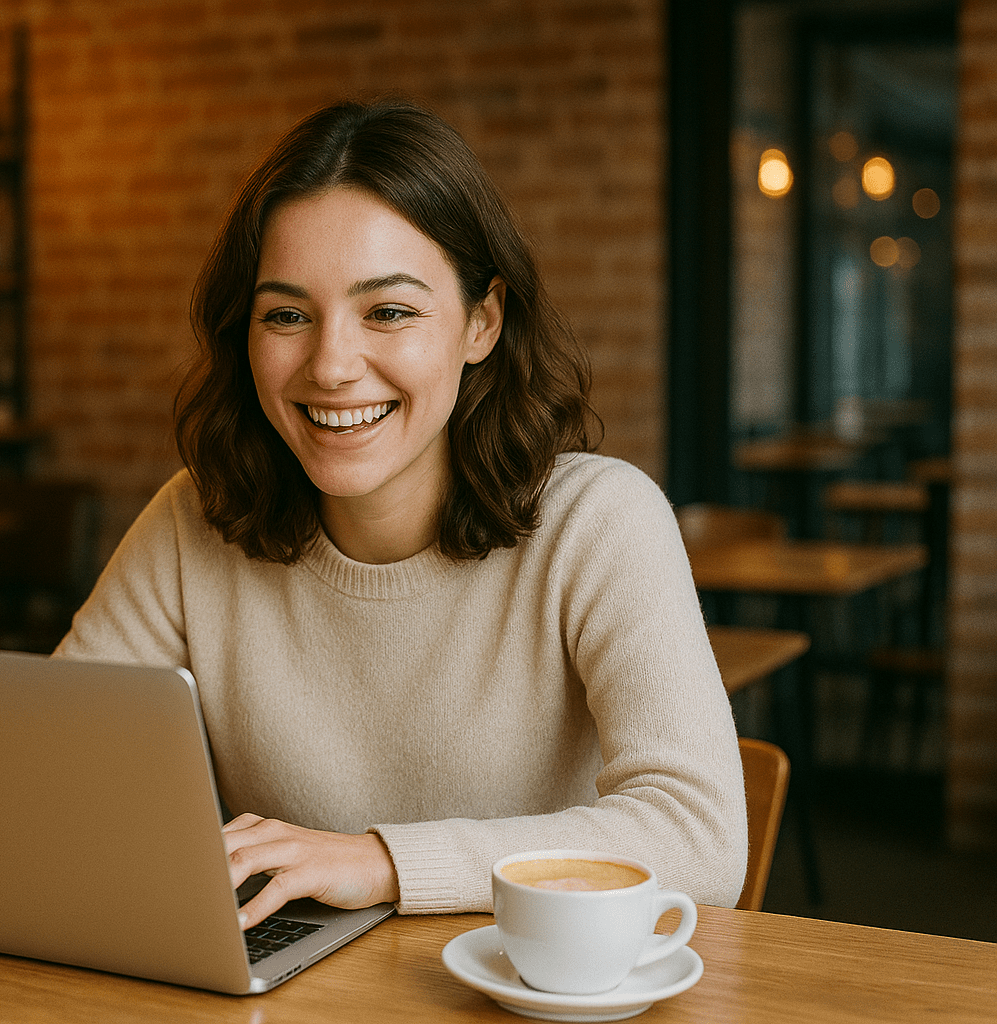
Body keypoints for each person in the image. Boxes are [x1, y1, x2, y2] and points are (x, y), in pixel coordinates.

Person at [53, 99, 746, 929]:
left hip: (524, 996)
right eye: (286, 315)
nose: (332, 365)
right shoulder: (194, 521)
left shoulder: (599, 523)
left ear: (481, 322)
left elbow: (700, 841)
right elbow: (51, 768)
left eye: (388, 311)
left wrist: (381, 861)